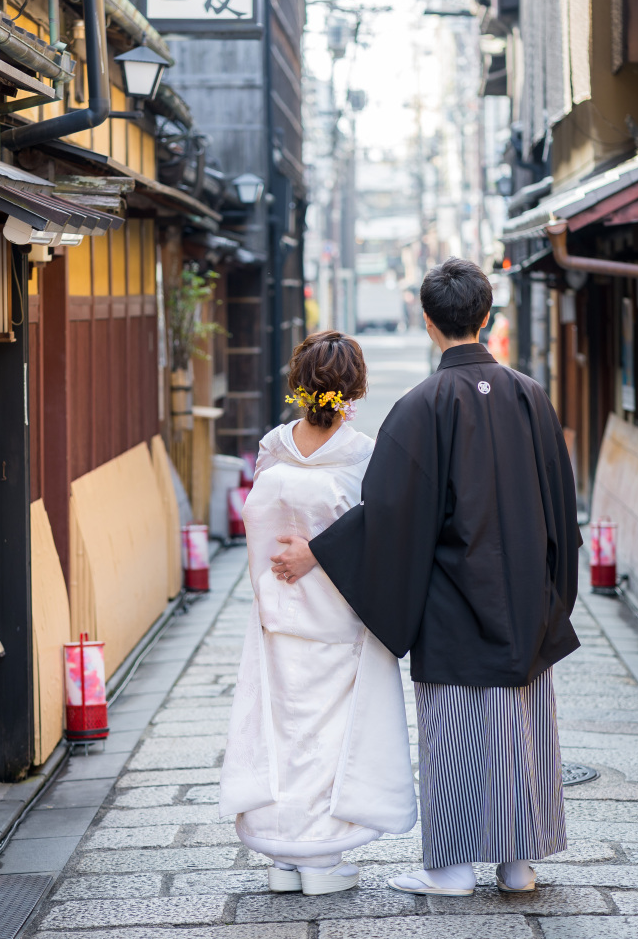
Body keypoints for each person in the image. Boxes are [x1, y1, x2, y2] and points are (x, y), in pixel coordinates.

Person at [272, 260, 580, 898]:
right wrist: (555, 596)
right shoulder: (531, 395)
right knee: (523, 732)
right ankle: (519, 864)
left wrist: (320, 552)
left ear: (426, 318)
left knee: (460, 737)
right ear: (486, 317)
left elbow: (389, 516)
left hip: (454, 605)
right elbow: (561, 503)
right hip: (526, 599)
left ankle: (450, 869)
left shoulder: (420, 407)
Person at [219, 331, 417, 897]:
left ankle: (282, 858)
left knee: (279, 729)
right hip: (338, 617)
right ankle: (318, 860)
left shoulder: (273, 446)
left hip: (276, 614)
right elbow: (375, 533)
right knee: (329, 736)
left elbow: (259, 522)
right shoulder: (361, 454)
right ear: (353, 391)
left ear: (297, 386)